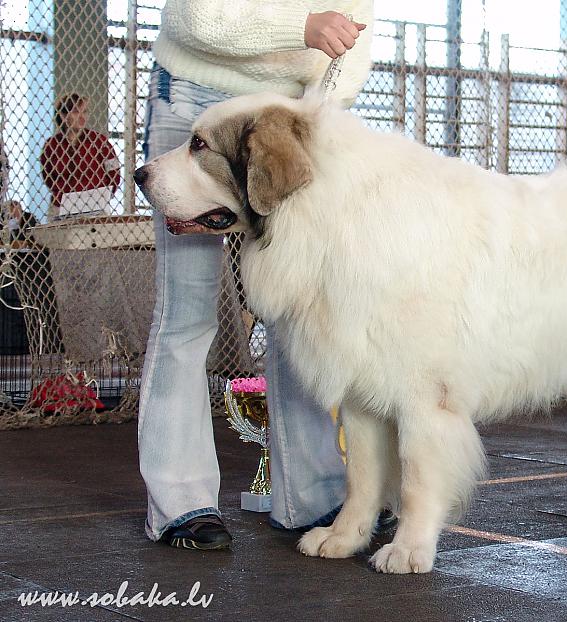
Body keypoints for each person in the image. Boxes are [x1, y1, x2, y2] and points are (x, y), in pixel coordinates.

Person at [138, 0, 375, 550]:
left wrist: (316, 114)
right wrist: (303, 27)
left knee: (299, 317)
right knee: (187, 314)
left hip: (284, 117)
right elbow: (194, 17)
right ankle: (180, 504)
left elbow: (357, 38)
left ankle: (314, 497)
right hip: (196, 97)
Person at [39, 93, 121, 221]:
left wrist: (103, 196)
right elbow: (48, 176)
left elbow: (114, 172)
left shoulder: (99, 141)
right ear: (63, 115)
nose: (82, 117)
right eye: (76, 112)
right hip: (62, 207)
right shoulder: (52, 145)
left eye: (85, 112)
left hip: (95, 205)